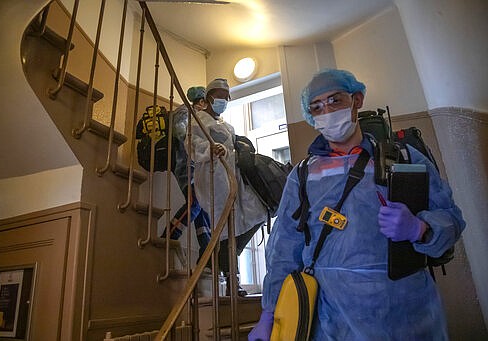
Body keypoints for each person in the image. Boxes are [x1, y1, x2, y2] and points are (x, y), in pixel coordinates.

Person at [249, 68, 466, 340]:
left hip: (404, 311)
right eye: (316, 107)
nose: (327, 111)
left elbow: (451, 219)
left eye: (335, 100)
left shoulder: (404, 158)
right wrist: (269, 313)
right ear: (311, 116)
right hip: (329, 317)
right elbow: (284, 247)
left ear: (357, 100)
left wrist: (420, 228)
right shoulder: (303, 174)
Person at [188, 78, 266, 295]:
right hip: (214, 180)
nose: (222, 100)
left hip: (234, 179)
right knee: (225, 230)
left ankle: (219, 260)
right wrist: (211, 150)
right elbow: (192, 146)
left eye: (226, 97)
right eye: (218, 96)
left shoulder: (225, 124)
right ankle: (232, 282)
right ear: (208, 97)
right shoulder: (198, 120)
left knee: (257, 214)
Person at [159, 86, 212, 263]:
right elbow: (180, 133)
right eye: (208, 103)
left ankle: (206, 252)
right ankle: (168, 237)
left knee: (202, 206)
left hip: (196, 166)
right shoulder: (184, 112)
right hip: (185, 165)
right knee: (194, 202)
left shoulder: (199, 117)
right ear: (202, 101)